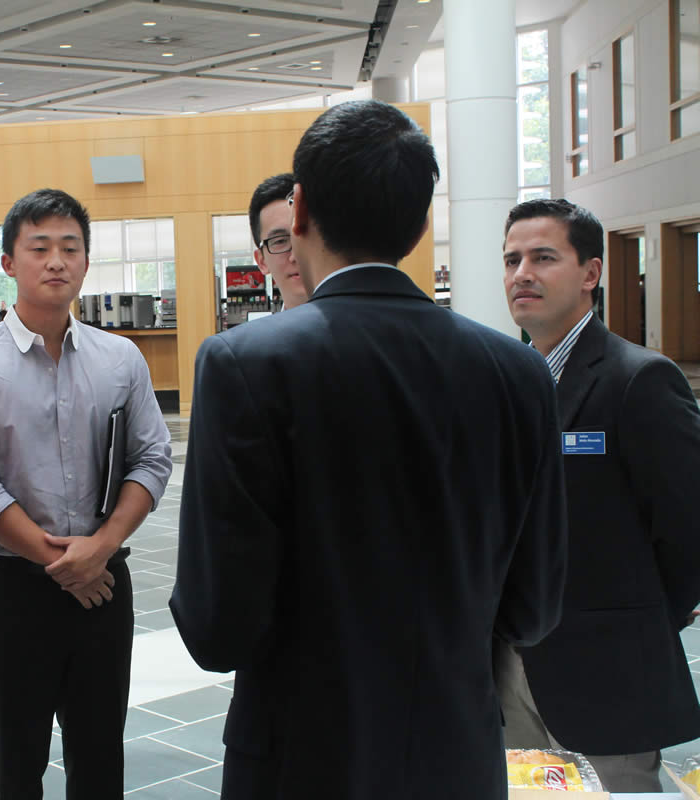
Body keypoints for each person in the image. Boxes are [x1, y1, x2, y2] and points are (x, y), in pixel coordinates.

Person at [169, 99, 568, 800]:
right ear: (419, 226)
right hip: (455, 752)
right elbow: (533, 609)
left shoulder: (246, 364)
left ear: (298, 211)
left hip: (299, 756)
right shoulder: (518, 373)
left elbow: (217, 627)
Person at [0, 188, 172, 799]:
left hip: (103, 588)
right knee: (16, 766)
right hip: (13, 593)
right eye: (38, 248)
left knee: (100, 761)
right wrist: (64, 563)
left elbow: (152, 458)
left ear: (86, 262)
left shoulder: (121, 358)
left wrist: (101, 548)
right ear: (9, 262)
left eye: (70, 248)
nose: (56, 261)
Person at [497, 198, 700, 792]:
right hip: (508, 668)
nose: (521, 274)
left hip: (608, 673)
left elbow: (689, 528)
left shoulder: (638, 379)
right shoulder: (503, 380)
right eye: (511, 260)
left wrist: (635, 623)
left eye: (542, 257)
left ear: (591, 272)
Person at [248, 173, 307, 309]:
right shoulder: (259, 331)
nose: (295, 256)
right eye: (280, 241)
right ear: (261, 261)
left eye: (305, 235)